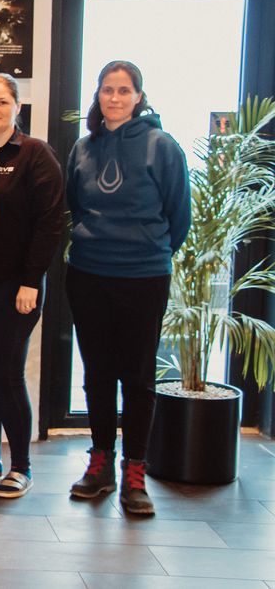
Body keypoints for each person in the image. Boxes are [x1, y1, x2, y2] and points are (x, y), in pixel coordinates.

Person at [66, 60, 190, 515]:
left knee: (137, 378)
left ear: (139, 97)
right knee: (97, 374)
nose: (114, 98)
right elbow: (75, 206)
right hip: (88, 275)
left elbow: (179, 216)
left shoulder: (162, 146)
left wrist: (147, 252)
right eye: (107, 89)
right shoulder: (83, 147)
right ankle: (101, 463)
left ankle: (135, 471)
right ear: (97, 95)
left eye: (123, 90)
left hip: (143, 277)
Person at [0, 73, 64, 499]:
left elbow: (50, 224)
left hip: (16, 287)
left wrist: (31, 282)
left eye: (2, 102)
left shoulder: (35, 154)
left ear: (17, 107)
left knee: (7, 374)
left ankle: (21, 465)